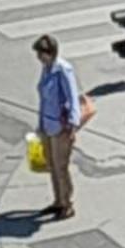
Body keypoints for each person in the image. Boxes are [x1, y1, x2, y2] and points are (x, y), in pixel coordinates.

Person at [33, 34, 84, 220]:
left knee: (61, 166)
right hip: (47, 124)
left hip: (61, 127)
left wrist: (72, 124)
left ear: (50, 53)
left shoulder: (63, 69)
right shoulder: (46, 69)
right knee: (52, 164)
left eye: (41, 54)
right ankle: (58, 200)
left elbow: (72, 98)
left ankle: (67, 204)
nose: (39, 58)